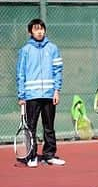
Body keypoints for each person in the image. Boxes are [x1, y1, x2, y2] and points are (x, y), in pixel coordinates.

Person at [16, 18, 66, 167]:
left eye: (41, 28)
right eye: (36, 29)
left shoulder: (53, 48)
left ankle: (49, 155)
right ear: (30, 32)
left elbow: (58, 70)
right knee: (31, 127)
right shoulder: (25, 50)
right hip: (31, 96)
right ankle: (31, 157)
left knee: (49, 127)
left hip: (49, 95)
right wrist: (21, 96)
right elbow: (20, 74)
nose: (39, 31)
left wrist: (56, 91)